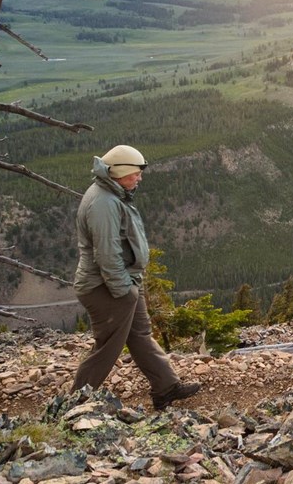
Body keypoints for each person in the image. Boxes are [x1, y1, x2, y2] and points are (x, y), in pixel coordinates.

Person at [71, 144, 201, 411]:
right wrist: (124, 291)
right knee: (107, 347)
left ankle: (166, 387)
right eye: (135, 173)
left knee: (140, 335)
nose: (139, 178)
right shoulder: (104, 203)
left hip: (123, 281)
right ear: (119, 172)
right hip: (106, 287)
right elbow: (107, 254)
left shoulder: (113, 194)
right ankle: (75, 402)